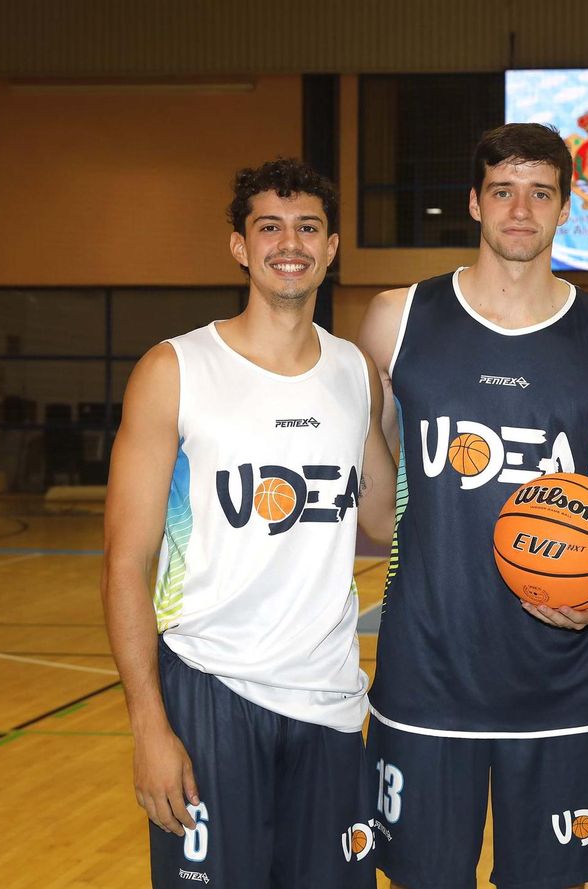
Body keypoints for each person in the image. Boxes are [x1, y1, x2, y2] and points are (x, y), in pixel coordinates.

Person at [356, 123, 588, 888]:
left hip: (559, 678)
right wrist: (426, 557)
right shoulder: (399, 319)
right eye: (503, 190)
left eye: (540, 192)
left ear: (566, 209)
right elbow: (373, 474)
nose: (521, 208)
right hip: (426, 675)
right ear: (474, 203)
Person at [101, 158, 396, 888]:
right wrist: (149, 725)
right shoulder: (175, 369)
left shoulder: (356, 373)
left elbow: (386, 520)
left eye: (307, 227)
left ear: (331, 248)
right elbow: (123, 563)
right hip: (208, 688)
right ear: (240, 246)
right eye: (269, 227)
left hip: (328, 700)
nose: (287, 243)